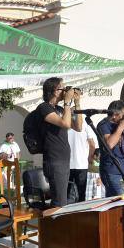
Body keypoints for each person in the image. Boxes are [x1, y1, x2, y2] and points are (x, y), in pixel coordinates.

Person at [37, 77, 82, 207]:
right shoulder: (44, 108)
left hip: (64, 159)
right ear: (55, 91)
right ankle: (54, 226)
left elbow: (78, 127)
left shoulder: (60, 109)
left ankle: (57, 225)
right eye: (63, 88)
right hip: (54, 160)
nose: (65, 91)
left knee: (62, 199)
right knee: (59, 202)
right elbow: (66, 124)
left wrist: (77, 103)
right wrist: (67, 102)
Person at [97, 100, 124, 197]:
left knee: (120, 202)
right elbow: (109, 144)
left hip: (122, 170)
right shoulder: (103, 125)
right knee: (118, 200)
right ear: (114, 115)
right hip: (111, 171)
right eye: (123, 116)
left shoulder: (119, 125)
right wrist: (121, 128)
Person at [68, 111, 96, 204]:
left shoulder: (65, 125)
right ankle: (80, 213)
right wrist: (90, 158)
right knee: (81, 193)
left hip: (67, 164)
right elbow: (92, 145)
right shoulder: (85, 125)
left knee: (67, 193)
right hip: (82, 164)